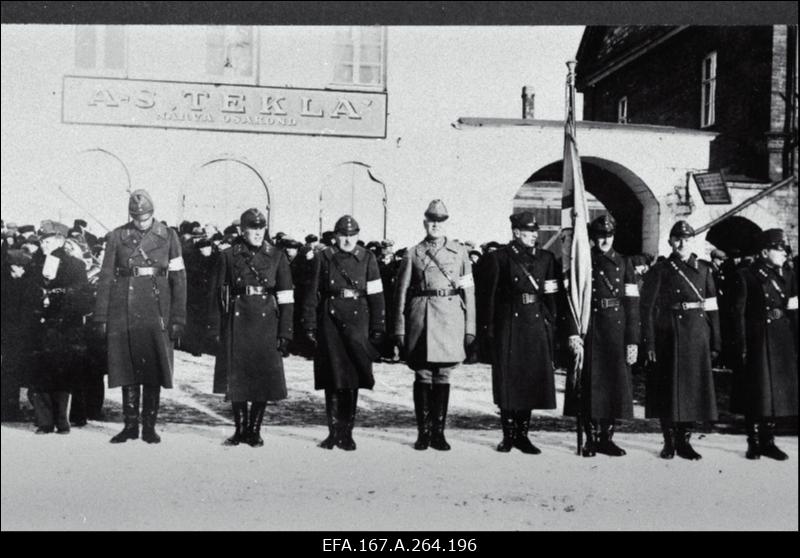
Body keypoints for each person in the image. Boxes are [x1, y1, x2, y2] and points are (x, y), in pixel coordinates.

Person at [93, 189, 187, 444]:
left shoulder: (169, 236)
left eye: (144, 217)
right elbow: (105, 277)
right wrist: (101, 316)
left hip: (157, 309)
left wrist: (178, 317)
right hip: (124, 307)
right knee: (128, 367)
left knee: (153, 367)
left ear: (152, 214)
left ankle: (149, 426)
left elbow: (179, 278)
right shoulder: (117, 236)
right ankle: (130, 425)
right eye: (136, 218)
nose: (141, 222)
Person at [207, 208, 294, 447]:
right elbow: (215, 294)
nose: (257, 233)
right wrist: (214, 328)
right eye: (252, 228)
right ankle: (240, 429)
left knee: (262, 379)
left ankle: (255, 430)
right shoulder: (228, 255)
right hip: (236, 322)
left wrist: (285, 331)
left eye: (261, 228)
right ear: (242, 230)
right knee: (237, 378)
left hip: (267, 323)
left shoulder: (277, 256)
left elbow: (286, 296)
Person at [394, 200, 476, 451]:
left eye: (440, 222)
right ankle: (423, 433)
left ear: (445, 224)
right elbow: (401, 293)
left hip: (450, 317)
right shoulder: (413, 253)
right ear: (424, 223)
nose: (435, 225)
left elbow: (468, 291)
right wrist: (399, 327)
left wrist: (470, 326)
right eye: (431, 221)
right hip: (422, 316)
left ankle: (439, 433)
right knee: (422, 374)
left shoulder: (460, 253)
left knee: (443, 374)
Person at [302, 215, 385, 450]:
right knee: (332, 378)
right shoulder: (324, 257)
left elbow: (377, 296)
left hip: (358, 322)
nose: (347, 240)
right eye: (343, 235)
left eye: (352, 235)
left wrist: (378, 326)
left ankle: (347, 433)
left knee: (352, 379)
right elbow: (311, 293)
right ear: (335, 236)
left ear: (358, 236)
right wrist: (309, 323)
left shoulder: (368, 258)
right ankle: (333, 432)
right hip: (330, 321)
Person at [641, 220, 720, 460]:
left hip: (697, 336)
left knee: (693, 390)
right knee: (668, 390)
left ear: (692, 241)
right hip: (669, 336)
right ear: (670, 242)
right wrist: (650, 343)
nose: (682, 243)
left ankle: (685, 442)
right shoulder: (660, 270)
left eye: (686, 238)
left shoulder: (704, 269)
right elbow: (647, 308)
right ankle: (668, 442)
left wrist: (716, 341)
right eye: (677, 239)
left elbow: (713, 308)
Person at [482, 211, 560, 454]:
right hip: (509, 325)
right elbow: (489, 297)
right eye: (529, 232)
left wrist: (550, 323)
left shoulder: (546, 258)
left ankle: (523, 435)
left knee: (528, 381)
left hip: (535, 325)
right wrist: (490, 330)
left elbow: (551, 295)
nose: (534, 236)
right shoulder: (500, 258)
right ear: (516, 232)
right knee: (508, 381)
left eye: (536, 232)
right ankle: (508, 435)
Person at [563, 215, 640, 456]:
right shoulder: (583, 261)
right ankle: (590, 438)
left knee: (613, 386)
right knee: (589, 387)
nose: (604, 240)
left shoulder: (624, 263)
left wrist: (633, 340)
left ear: (613, 236)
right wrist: (573, 332)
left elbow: (633, 304)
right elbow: (570, 300)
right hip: (591, 327)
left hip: (616, 331)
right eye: (599, 236)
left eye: (608, 236)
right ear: (593, 238)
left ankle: (606, 438)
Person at [731, 229, 797, 460]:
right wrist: (740, 345)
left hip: (781, 339)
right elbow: (738, 313)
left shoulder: (788, 275)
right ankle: (754, 441)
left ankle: (769, 441)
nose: (783, 254)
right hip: (757, 339)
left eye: (785, 250)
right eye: (779, 249)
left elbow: (794, 309)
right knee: (757, 392)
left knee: (775, 394)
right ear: (765, 251)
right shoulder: (747, 275)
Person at [29, 222, 91, 434]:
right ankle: (55, 421)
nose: (43, 245)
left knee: (50, 375)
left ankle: (51, 422)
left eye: (47, 241)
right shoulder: (38, 262)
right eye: (42, 241)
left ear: (60, 240)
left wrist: (56, 296)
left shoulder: (73, 265)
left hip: (57, 327)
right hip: (58, 328)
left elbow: (83, 298)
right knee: (55, 375)